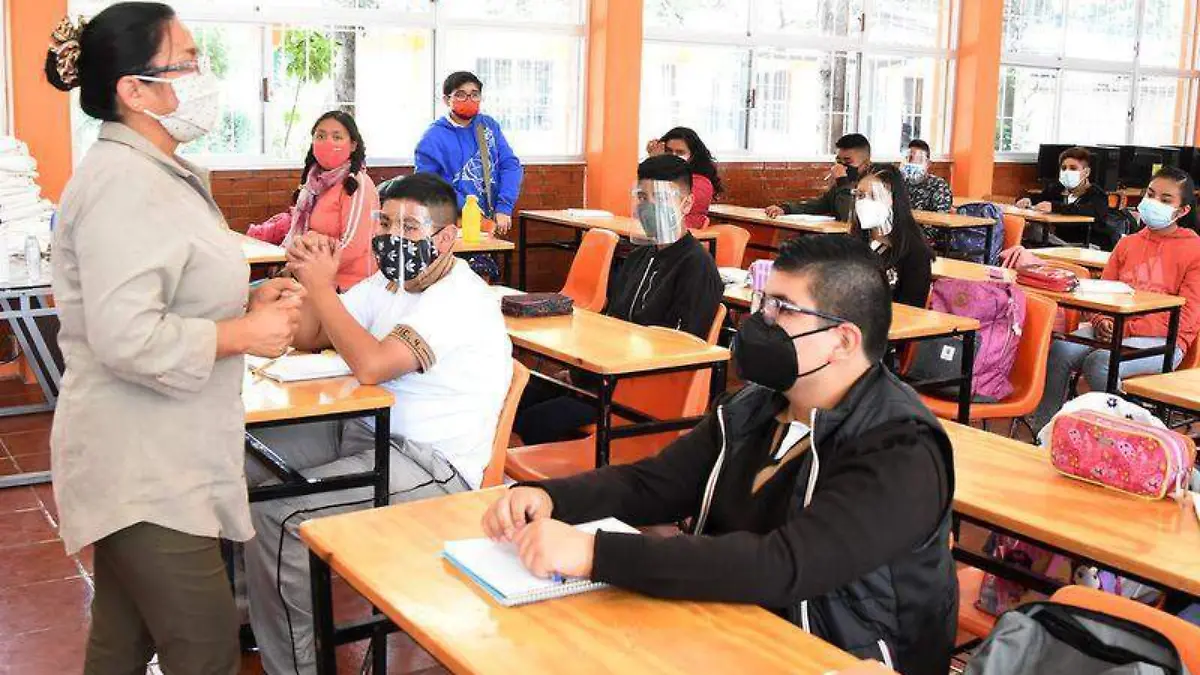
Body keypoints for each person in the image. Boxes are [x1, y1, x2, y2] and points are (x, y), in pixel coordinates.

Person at [486, 234, 957, 675]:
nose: (759, 320)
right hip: (727, 624)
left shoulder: (902, 449)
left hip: (832, 657)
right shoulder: (754, 406)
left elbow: (783, 565)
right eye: (763, 301)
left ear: (843, 341)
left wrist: (595, 553)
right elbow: (654, 483)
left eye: (782, 308)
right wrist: (551, 499)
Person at [45, 5, 303, 674]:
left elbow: (166, 290)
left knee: (120, 643)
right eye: (187, 62)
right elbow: (126, 334)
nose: (203, 76)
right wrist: (241, 332)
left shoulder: (156, 171)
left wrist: (244, 305)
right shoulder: (124, 184)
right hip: (142, 466)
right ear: (134, 90)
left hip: (161, 455)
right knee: (205, 647)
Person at [243, 172, 513, 675]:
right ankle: (257, 616)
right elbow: (314, 334)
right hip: (366, 430)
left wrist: (321, 288)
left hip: (431, 464)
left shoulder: (459, 298)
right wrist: (303, 285)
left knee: (281, 514)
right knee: (242, 459)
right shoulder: (390, 281)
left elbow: (370, 365)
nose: (392, 236)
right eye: (385, 223)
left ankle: (296, 667)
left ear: (445, 238)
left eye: (410, 227)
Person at [512, 154, 723, 446]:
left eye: (660, 198)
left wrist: (596, 381)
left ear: (686, 204)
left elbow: (681, 352)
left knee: (535, 421)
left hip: (639, 392)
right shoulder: (637, 257)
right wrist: (580, 374)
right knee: (519, 395)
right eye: (643, 197)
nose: (649, 207)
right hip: (603, 378)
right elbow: (611, 326)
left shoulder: (697, 267)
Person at [1032, 167, 1200, 430]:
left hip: (1166, 342)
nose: (1154, 202)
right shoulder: (1127, 244)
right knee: (1060, 350)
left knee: (1101, 362)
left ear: (1183, 210)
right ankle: (1044, 430)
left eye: (1166, 200)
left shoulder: (1194, 250)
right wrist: (1100, 320)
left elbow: (1186, 318)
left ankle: (1127, 435)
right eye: (1150, 194)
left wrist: (1125, 327)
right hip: (1113, 330)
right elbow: (1102, 292)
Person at [277, 110, 380, 291]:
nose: (328, 142)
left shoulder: (356, 184)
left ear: (353, 145)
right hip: (310, 278)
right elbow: (299, 237)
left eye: (337, 137)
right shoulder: (313, 184)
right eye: (321, 136)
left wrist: (301, 269)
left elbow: (353, 246)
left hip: (349, 286)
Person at [414, 71, 523, 236]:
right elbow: (428, 184)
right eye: (460, 95)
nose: (469, 100)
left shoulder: (488, 126)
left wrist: (504, 206)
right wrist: (468, 210)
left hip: (490, 221)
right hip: (450, 226)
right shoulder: (432, 138)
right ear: (446, 99)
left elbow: (510, 165)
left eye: (474, 94)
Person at [855, 166, 934, 308]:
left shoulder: (915, 252)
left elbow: (912, 309)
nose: (864, 203)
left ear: (894, 200)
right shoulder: (853, 244)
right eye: (860, 195)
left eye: (874, 196)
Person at [765, 133, 872, 223]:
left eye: (848, 161)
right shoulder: (841, 186)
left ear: (866, 164)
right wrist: (786, 209)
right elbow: (819, 205)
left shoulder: (873, 187)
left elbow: (849, 217)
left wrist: (842, 181)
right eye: (839, 161)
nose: (841, 166)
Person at [1016, 146, 1108, 246]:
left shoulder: (1097, 194)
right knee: (1029, 231)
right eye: (1064, 168)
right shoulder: (1056, 188)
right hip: (1060, 242)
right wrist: (1027, 199)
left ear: (1086, 172)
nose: (1067, 172)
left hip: (1088, 244)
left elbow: (1089, 210)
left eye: (1073, 168)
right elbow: (1039, 198)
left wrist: (1054, 207)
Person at [646, 126, 724, 229]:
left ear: (692, 156)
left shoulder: (701, 183)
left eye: (680, 152)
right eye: (668, 151)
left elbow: (668, 206)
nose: (673, 156)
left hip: (686, 236)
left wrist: (656, 164)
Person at [900, 139, 951, 213]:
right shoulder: (899, 183)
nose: (913, 163)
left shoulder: (938, 185)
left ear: (928, 164)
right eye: (909, 158)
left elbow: (943, 214)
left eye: (919, 159)